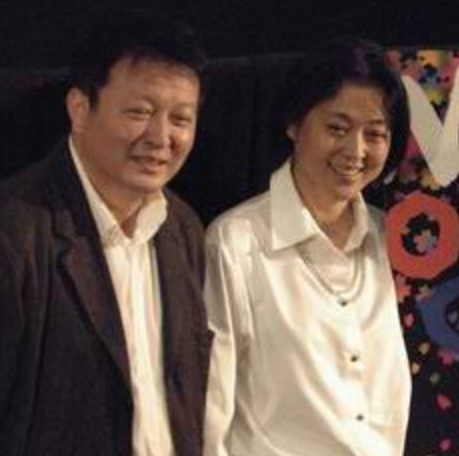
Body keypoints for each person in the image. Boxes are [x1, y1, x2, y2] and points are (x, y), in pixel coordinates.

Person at [0, 10, 213, 456]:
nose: (161, 137)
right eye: (140, 112)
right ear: (80, 108)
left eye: (181, 119)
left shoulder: (183, 227)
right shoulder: (15, 231)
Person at [204, 36, 412, 456]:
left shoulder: (393, 239)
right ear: (294, 124)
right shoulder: (236, 241)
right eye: (337, 129)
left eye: (375, 134)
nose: (356, 151)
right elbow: (211, 409)